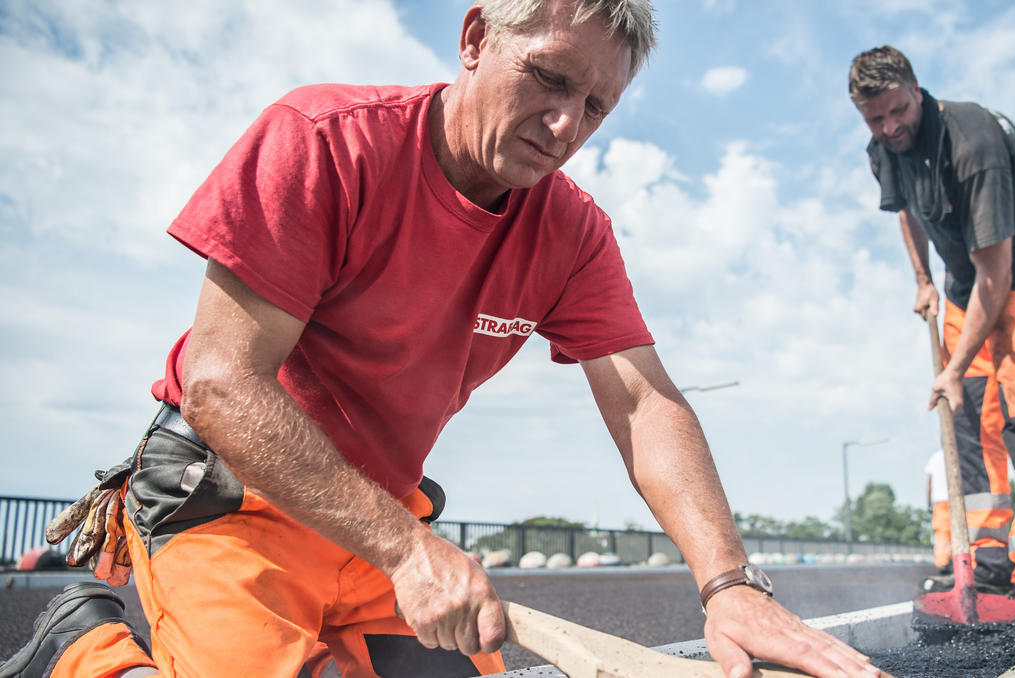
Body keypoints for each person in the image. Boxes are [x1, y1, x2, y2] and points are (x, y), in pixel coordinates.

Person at [1, 3, 885, 678]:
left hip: (378, 521)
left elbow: (645, 401)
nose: (567, 125)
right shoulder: (323, 141)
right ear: (474, 40)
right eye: (548, 77)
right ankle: (79, 647)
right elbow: (221, 383)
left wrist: (730, 587)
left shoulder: (573, 233)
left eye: (596, 104)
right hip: (238, 502)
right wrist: (409, 549)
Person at [848, 45, 1015, 626]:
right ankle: (983, 566)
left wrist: (952, 366)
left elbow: (996, 274)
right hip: (960, 284)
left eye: (898, 111)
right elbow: (904, 206)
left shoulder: (973, 144)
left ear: (917, 91)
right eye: (875, 118)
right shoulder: (885, 146)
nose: (890, 126)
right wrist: (923, 279)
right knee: (970, 416)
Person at [923, 449, 951, 573]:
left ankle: (943, 562)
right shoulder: (959, 454)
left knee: (942, 532)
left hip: (940, 500)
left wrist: (928, 503)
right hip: (958, 499)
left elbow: (929, 483)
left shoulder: (935, 458)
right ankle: (961, 561)